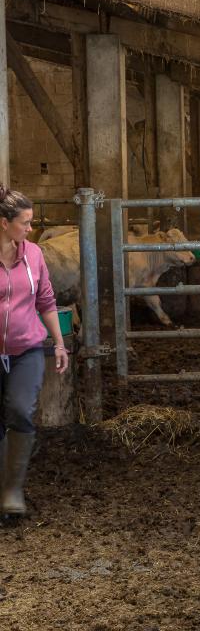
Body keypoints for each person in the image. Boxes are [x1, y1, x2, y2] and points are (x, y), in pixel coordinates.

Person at [0, 186, 68, 516]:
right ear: (4, 223)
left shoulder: (34, 255)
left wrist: (58, 342)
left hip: (27, 347)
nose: (30, 229)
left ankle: (13, 489)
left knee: (20, 408)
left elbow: (46, 301)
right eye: (25, 222)